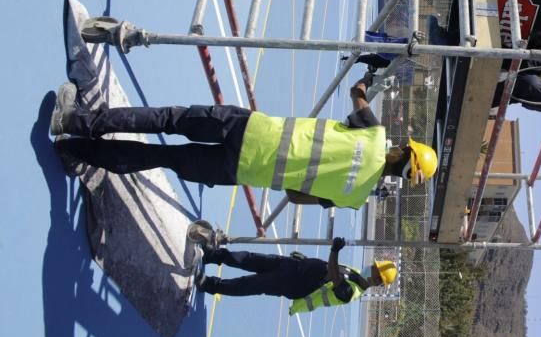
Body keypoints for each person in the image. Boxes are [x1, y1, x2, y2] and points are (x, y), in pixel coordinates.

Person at [52, 77, 438, 208]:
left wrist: (365, 82)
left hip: (250, 130)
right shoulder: (356, 197)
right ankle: (74, 150)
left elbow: (357, 95)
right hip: (242, 171)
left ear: (405, 150)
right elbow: (299, 196)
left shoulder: (374, 134)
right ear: (405, 177)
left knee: (168, 120)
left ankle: (75, 120)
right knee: (161, 157)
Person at [196, 236, 395, 315]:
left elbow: (335, 278)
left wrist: (334, 251)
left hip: (296, 285)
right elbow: (327, 269)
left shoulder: (352, 293)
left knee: (252, 284)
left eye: (376, 271)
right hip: (296, 267)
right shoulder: (357, 273)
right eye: (375, 266)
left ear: (378, 281)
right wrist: (305, 260)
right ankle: (212, 255)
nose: (372, 268)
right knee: (250, 258)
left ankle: (210, 285)